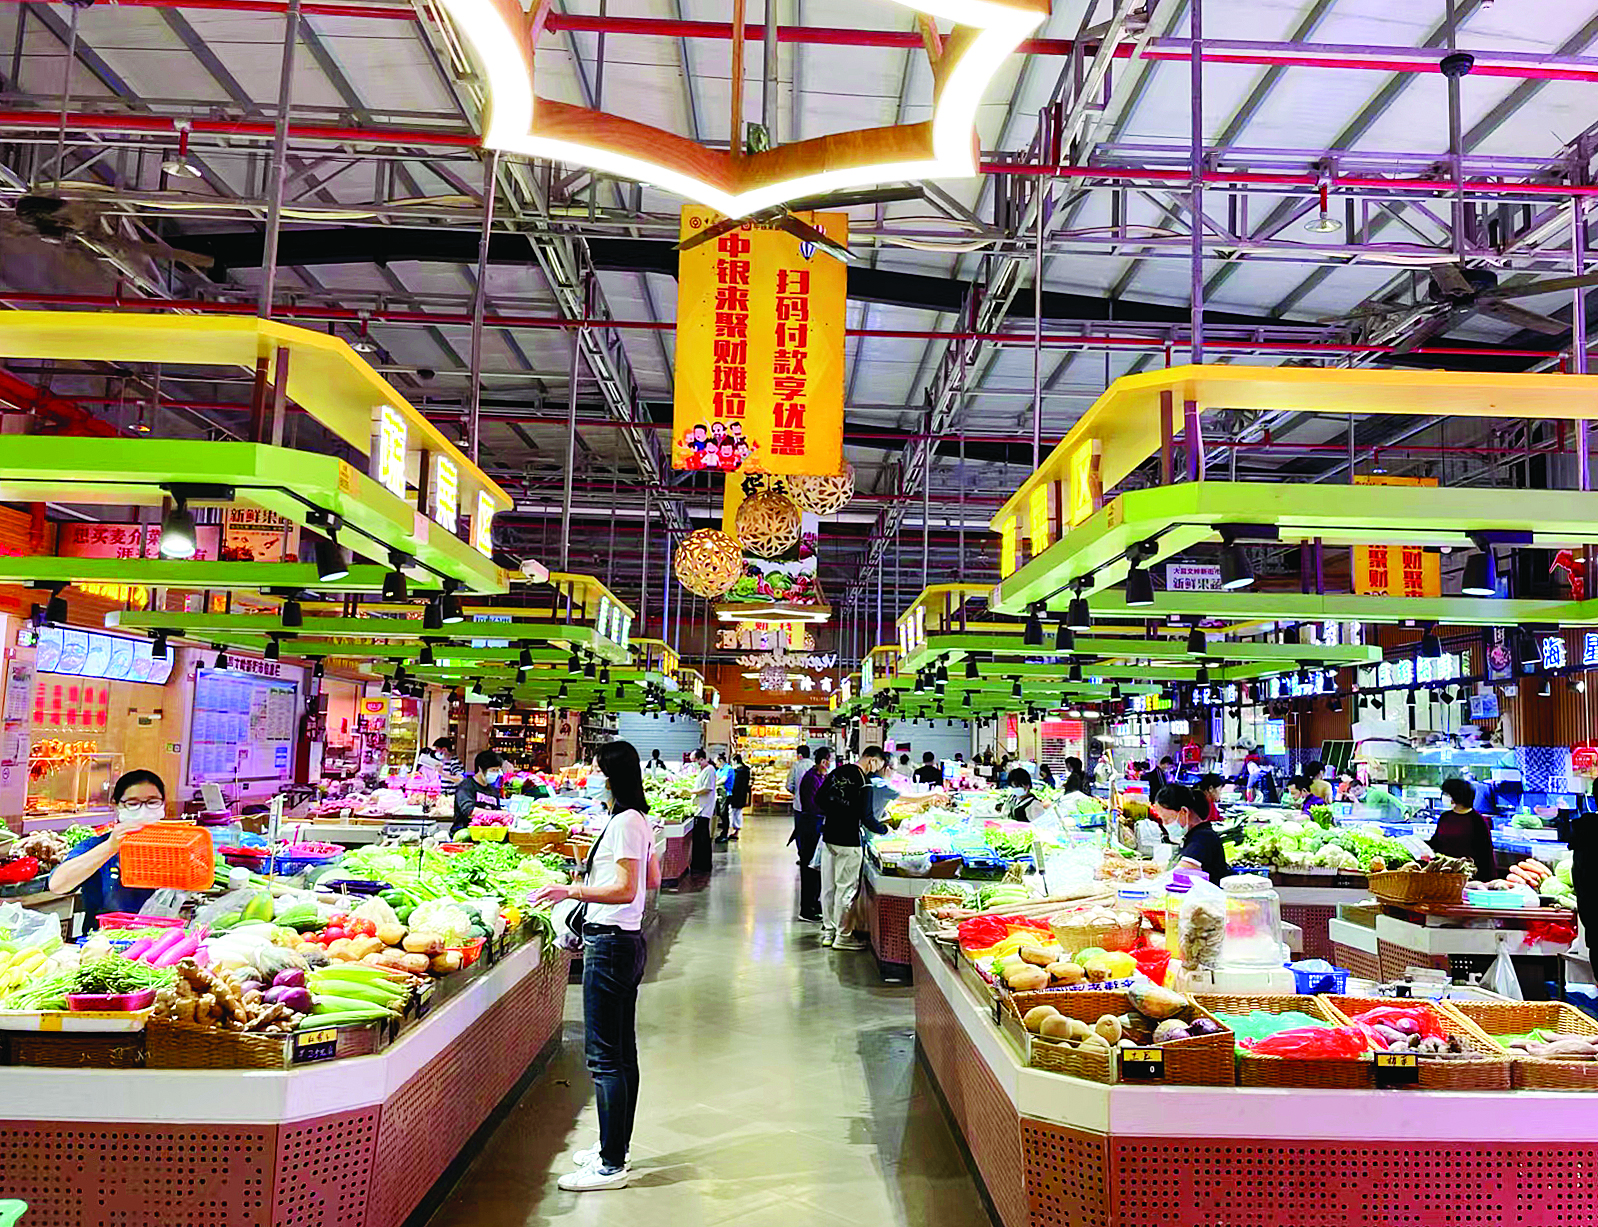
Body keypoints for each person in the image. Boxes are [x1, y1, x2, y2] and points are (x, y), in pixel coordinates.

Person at [533, 741, 661, 1192]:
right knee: (622, 1053)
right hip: (626, 942)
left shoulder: (624, 823)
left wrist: (571, 891)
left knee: (605, 1057)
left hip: (609, 944)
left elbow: (627, 889)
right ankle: (615, 1148)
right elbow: (651, 879)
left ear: (611, 775)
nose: (589, 775)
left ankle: (610, 1165)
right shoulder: (637, 819)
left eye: (595, 769)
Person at [49, 769, 165, 926]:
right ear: (117, 806)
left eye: (152, 802)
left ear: (163, 804)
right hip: (103, 937)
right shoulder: (96, 845)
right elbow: (57, 885)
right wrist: (110, 846)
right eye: (132, 804)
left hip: (167, 937)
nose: (143, 810)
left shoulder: (177, 848)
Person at [818, 749, 890, 949]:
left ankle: (828, 932)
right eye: (878, 765)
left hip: (829, 836)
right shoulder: (864, 782)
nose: (876, 770)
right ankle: (842, 937)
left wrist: (835, 811)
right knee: (845, 889)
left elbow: (819, 799)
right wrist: (885, 830)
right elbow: (867, 818)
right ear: (872, 760)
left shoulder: (837, 772)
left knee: (828, 888)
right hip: (849, 841)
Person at [1155, 783, 1231, 884]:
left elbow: (1182, 871)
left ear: (1184, 812)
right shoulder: (1193, 835)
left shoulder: (1203, 838)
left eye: (1167, 819)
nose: (1165, 824)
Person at [1431, 777, 1496, 881]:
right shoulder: (1445, 817)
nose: (1443, 797)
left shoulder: (1477, 821)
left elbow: (1486, 854)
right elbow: (1436, 843)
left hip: (1469, 875)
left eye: (1446, 794)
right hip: (1444, 873)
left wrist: (1487, 881)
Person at [794, 747, 832, 922]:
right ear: (823, 762)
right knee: (809, 869)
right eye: (829, 761)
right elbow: (813, 805)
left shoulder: (820, 776)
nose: (830, 764)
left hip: (815, 825)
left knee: (815, 870)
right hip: (810, 827)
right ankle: (807, 909)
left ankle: (814, 903)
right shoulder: (811, 778)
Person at [452, 751, 503, 836]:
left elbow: (497, 813)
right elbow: (470, 812)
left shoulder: (493, 790)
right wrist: (497, 814)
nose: (495, 774)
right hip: (465, 834)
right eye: (493, 770)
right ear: (480, 769)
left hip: (487, 835)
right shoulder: (466, 786)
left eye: (497, 771)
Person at [690, 749, 716, 874]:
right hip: (700, 809)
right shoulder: (704, 770)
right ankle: (698, 863)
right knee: (699, 837)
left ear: (701, 759)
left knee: (703, 837)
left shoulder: (709, 770)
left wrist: (691, 792)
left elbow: (707, 788)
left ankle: (704, 865)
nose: (694, 764)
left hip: (704, 809)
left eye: (695, 761)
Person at [718, 754, 750, 843]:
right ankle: (736, 831)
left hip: (735, 795)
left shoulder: (737, 771)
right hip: (742, 795)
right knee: (737, 812)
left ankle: (732, 831)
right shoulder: (746, 770)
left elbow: (734, 784)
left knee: (732, 813)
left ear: (735, 760)